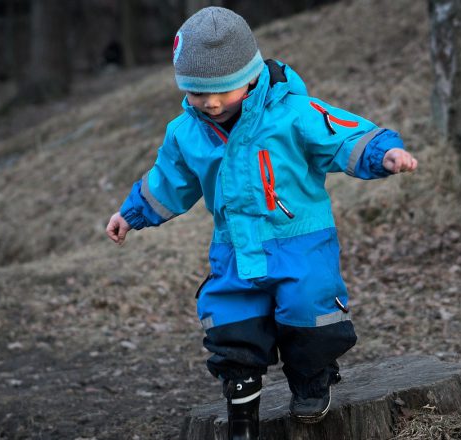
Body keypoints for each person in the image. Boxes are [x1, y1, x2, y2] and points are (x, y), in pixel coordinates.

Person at [104, 7, 417, 439]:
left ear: (251, 76)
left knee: (310, 314)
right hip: (234, 247)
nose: (211, 102)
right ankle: (241, 403)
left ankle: (311, 379)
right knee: (231, 323)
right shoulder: (185, 132)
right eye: (197, 92)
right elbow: (168, 181)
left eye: (224, 90)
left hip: (301, 241)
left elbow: (342, 133)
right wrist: (131, 213)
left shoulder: (293, 112)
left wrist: (382, 153)